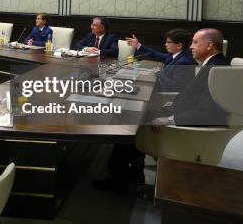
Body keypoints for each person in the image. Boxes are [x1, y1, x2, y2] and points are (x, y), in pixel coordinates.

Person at [95, 28, 229, 194]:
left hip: (186, 125)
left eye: (195, 42)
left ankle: (118, 180)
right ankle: (133, 175)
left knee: (127, 124)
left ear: (209, 45)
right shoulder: (214, 64)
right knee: (130, 116)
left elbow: (210, 111)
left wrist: (171, 118)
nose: (191, 47)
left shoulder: (217, 69)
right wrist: (173, 104)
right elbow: (197, 97)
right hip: (177, 110)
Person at [126, 29, 196, 92]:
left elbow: (175, 87)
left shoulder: (184, 62)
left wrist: (159, 73)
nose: (165, 44)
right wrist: (138, 45)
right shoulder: (175, 54)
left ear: (179, 46)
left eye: (169, 42)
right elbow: (155, 54)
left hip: (168, 96)